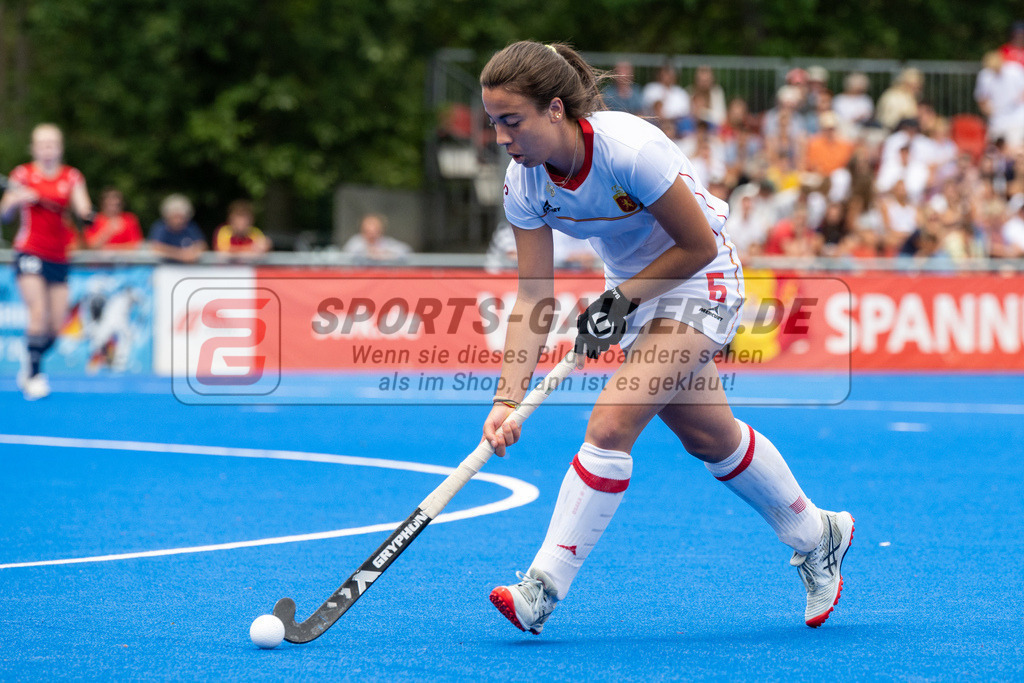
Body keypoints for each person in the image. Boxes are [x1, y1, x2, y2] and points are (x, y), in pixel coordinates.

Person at [479, 41, 854, 636]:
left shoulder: (630, 150)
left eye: (511, 121)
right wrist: (507, 398)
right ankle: (819, 534)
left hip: (701, 280)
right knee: (711, 438)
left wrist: (621, 300)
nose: (502, 138)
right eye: (494, 123)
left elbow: (699, 246)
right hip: (630, 290)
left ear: (555, 109)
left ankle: (541, 587)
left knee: (609, 426)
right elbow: (533, 297)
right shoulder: (524, 182)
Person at [0, 123, 93, 399]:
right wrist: (17, 199)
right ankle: (35, 375)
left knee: (55, 324)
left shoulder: (72, 177)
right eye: (42, 144)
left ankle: (30, 359)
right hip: (30, 250)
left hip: (59, 255)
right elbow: (4, 215)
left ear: (60, 148)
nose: (47, 149)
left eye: (52, 144)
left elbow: (83, 207)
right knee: (38, 313)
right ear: (34, 148)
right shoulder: (23, 175)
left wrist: (88, 215)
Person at [148, 193, 207, 263]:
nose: (178, 221)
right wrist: (180, 255)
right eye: (175, 217)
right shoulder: (160, 227)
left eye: (181, 217)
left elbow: (202, 245)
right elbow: (155, 247)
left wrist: (193, 252)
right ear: (167, 216)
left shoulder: (190, 227)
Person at [341, 212, 412, 262]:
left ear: (381, 230)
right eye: (368, 231)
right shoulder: (356, 241)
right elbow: (348, 255)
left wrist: (385, 253)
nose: (372, 234)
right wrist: (368, 253)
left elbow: (405, 251)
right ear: (362, 230)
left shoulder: (388, 243)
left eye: (375, 230)